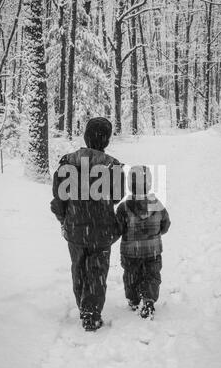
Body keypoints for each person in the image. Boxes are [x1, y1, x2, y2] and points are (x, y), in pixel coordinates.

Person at [51, 118, 125, 332]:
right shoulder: (112, 164)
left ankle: (84, 306)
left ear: (86, 135)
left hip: (75, 228)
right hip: (102, 229)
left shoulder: (68, 161)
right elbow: (117, 196)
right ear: (107, 140)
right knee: (97, 271)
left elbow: (58, 197)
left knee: (78, 268)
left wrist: (64, 219)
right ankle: (91, 312)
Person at [116, 166, 171, 319]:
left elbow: (118, 228)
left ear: (129, 184)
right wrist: (155, 233)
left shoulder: (124, 207)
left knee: (131, 275)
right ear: (149, 183)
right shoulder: (157, 205)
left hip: (130, 252)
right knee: (152, 275)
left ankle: (134, 300)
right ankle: (148, 299)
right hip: (152, 250)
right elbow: (165, 225)